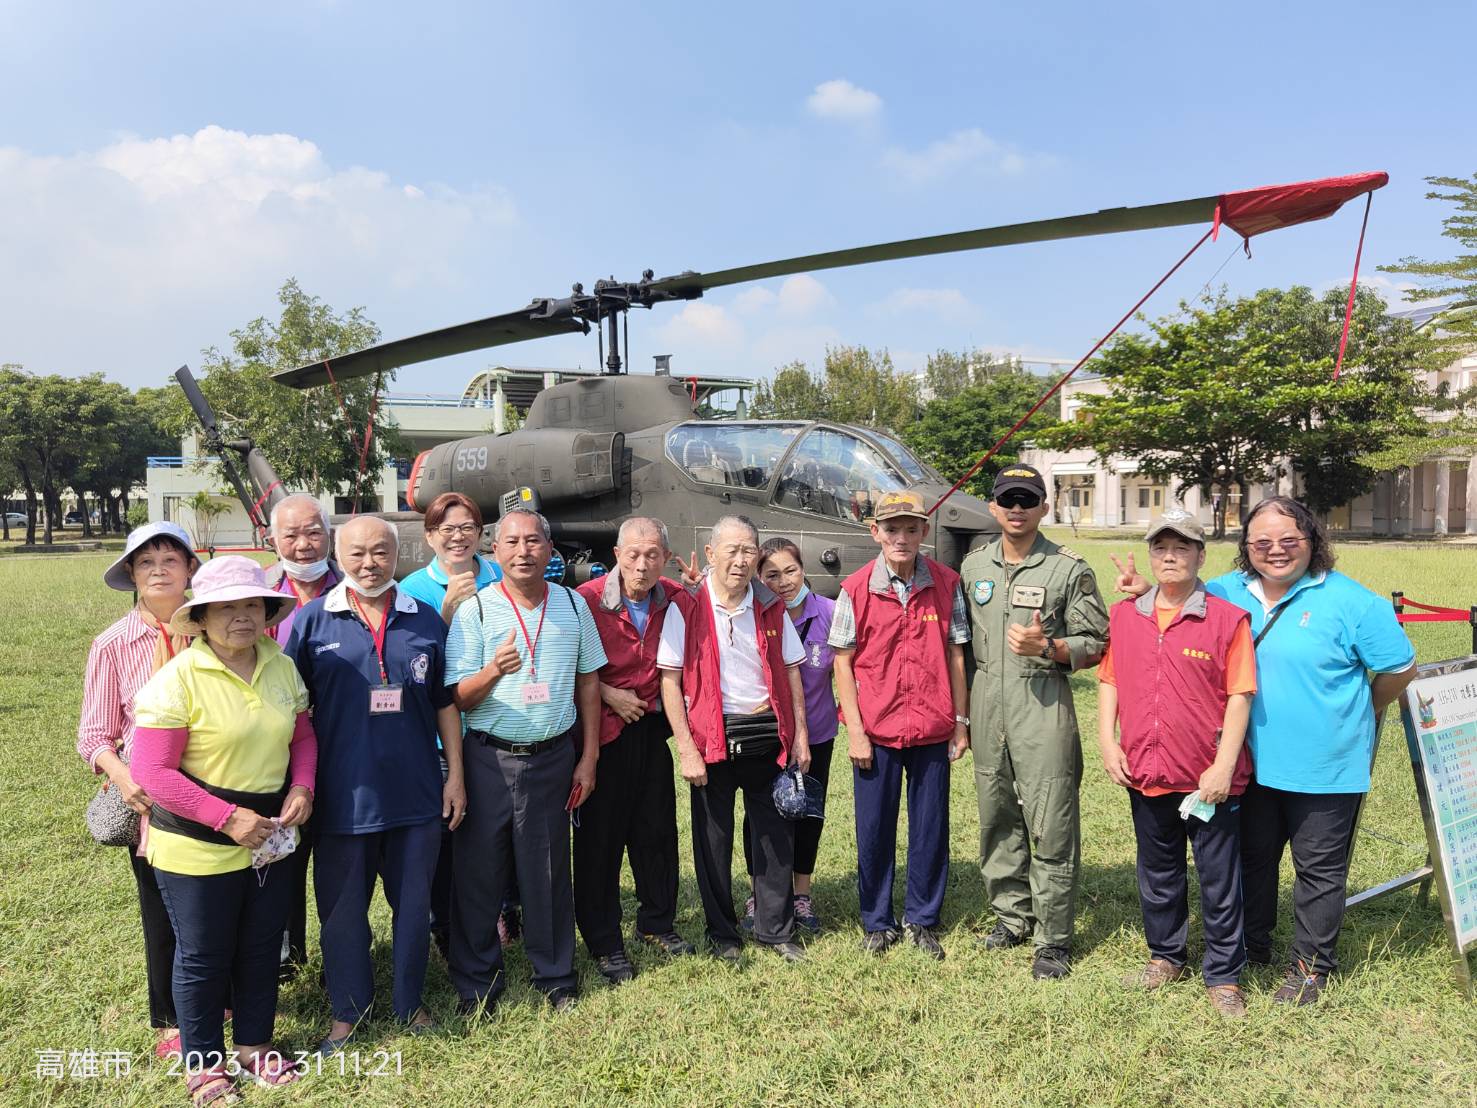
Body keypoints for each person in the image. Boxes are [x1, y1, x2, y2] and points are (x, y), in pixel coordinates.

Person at [1115, 496, 1415, 1005]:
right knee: (1250, 862)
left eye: (1289, 541)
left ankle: (1310, 969)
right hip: (1248, 762)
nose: (1276, 551)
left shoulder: (1353, 602)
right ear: (1245, 548)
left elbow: (1399, 670)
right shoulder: (1229, 590)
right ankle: (1252, 947)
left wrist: (1355, 714)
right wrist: (1146, 588)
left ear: (1312, 542)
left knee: (1318, 872)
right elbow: (1183, 603)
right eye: (1262, 542)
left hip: (1326, 766)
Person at [131, 556, 317, 1104]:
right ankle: (205, 1065)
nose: (242, 616)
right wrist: (226, 818)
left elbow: (302, 737)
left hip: (270, 837)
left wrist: (302, 787)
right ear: (203, 616)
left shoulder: (279, 664)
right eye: (228, 607)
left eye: (252, 604)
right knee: (204, 953)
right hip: (198, 843)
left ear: (266, 612)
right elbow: (152, 773)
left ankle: (255, 1048)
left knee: (262, 947)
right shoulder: (177, 680)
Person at [286, 516, 467, 1053]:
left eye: (381, 553)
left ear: (396, 554)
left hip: (415, 794)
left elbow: (445, 703)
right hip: (342, 797)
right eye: (358, 554)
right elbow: (295, 713)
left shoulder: (425, 619)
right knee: (342, 913)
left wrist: (454, 775)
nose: (370, 564)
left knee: (413, 908)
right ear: (339, 558)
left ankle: (410, 1005)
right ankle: (348, 1011)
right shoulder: (312, 622)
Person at [444, 507, 605, 1012]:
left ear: (549, 550)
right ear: (495, 551)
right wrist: (493, 669)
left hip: (553, 758)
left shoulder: (574, 607)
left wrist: (590, 756)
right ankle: (477, 983)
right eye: (511, 542)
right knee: (479, 874)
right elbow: (456, 698)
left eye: (533, 541)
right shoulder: (476, 611)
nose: (523, 551)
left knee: (550, 871)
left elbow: (589, 682)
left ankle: (556, 976)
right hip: (488, 759)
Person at [1096, 511, 1255, 1017]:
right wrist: (1107, 740)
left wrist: (1223, 765)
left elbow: (1240, 695)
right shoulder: (1125, 616)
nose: (1170, 556)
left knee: (1218, 877)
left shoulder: (1227, 620)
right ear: (1150, 555)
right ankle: (1166, 956)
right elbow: (1111, 680)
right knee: (1158, 871)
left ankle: (1224, 974)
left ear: (1200, 556)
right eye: (1161, 547)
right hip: (1146, 769)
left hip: (1208, 778)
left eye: (1182, 547)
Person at [961, 464, 1108, 980]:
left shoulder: (1068, 569)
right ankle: (1011, 915)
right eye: (1008, 500)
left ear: (1045, 506)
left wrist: (1050, 646)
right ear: (994, 507)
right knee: (996, 814)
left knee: (1051, 823)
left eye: (1028, 499)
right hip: (987, 702)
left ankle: (1053, 938)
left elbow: (1098, 642)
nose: (1017, 509)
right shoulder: (973, 567)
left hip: (1043, 703)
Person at [658, 515, 811, 964]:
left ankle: (775, 928)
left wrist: (799, 734)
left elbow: (791, 670)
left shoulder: (769, 605)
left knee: (774, 837)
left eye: (750, 551)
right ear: (710, 555)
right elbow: (669, 681)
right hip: (711, 739)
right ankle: (723, 933)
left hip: (766, 733)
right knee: (713, 842)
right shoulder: (685, 606)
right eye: (732, 550)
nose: (741, 561)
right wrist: (685, 747)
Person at [830, 491, 971, 959]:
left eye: (912, 529)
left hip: (932, 727)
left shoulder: (947, 584)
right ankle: (877, 920)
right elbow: (843, 663)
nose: (902, 538)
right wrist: (855, 730)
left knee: (931, 827)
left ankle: (923, 918)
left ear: (924, 533)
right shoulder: (855, 589)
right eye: (892, 529)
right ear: (876, 533)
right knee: (874, 829)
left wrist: (960, 722)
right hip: (876, 731)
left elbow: (956, 654)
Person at [77, 522, 199, 1061]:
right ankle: (171, 1018)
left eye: (170, 559)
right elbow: (94, 734)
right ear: (130, 574)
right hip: (147, 795)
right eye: (145, 562)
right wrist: (125, 780)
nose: (158, 570)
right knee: (163, 905)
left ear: (189, 569)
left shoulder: (215, 627)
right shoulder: (113, 644)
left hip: (214, 782)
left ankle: (219, 1002)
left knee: (215, 902)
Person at [572, 517, 696, 985]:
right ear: (617, 555)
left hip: (651, 728)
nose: (641, 565)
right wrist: (606, 692)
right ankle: (604, 940)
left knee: (657, 831)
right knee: (599, 840)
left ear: (665, 558)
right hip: (600, 730)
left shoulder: (677, 598)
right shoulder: (585, 602)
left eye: (652, 555)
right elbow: (566, 665)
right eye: (633, 555)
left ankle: (657, 922)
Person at [396, 492, 510, 956]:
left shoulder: (502, 574)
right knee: (447, 834)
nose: (458, 537)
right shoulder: (412, 589)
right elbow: (419, 663)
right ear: (430, 537)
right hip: (446, 733)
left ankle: (499, 910)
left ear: (481, 534)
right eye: (447, 529)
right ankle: (444, 923)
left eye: (467, 527)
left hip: (499, 722)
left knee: (492, 831)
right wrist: (446, 613)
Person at [739, 537, 840, 934]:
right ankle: (758, 892)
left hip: (817, 734)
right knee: (761, 815)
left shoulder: (830, 612)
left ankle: (801, 894)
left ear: (803, 570)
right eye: (772, 575)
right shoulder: (755, 614)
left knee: (808, 813)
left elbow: (850, 667)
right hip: (768, 736)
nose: (783, 582)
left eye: (791, 571)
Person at [262, 493, 341, 974]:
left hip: (343, 743)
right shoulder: (259, 593)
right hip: (278, 750)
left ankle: (341, 949)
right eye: (290, 534)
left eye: (313, 532)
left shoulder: (358, 587)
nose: (303, 544)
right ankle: (286, 951)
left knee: (335, 857)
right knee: (282, 855)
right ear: (271, 539)